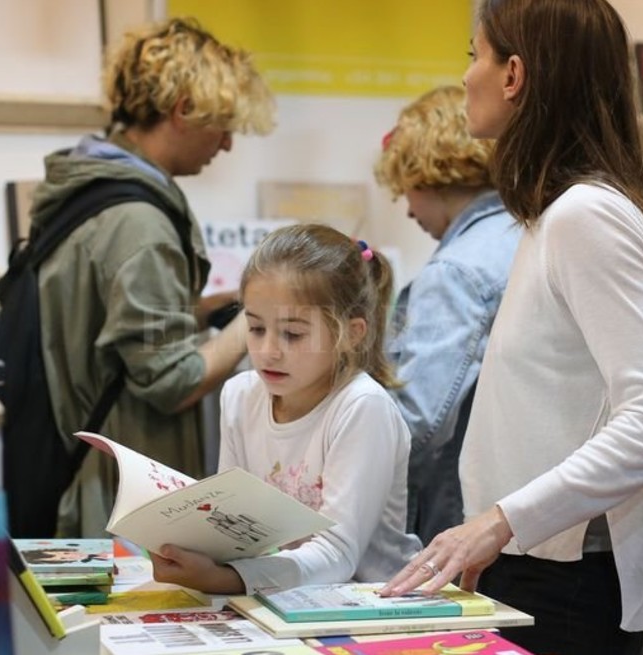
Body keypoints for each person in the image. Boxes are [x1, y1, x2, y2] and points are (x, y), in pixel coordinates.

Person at [381, 1, 643, 653]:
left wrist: (500, 520)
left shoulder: (586, 214)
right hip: (536, 563)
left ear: (514, 74)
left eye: (475, 57)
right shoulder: (556, 213)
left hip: (564, 576)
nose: (466, 77)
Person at [35, 17, 276, 537]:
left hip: (89, 478)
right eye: (223, 123)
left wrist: (207, 311)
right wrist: (259, 320)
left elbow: (110, 329)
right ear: (184, 110)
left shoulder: (88, 193)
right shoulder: (140, 224)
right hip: (120, 500)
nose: (228, 144)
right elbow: (172, 381)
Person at [149, 224, 422, 594]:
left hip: (374, 602)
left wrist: (226, 579)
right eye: (256, 328)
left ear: (351, 334)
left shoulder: (361, 407)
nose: (268, 351)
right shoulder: (240, 396)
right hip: (280, 597)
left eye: (292, 334)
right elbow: (230, 522)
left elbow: (338, 554)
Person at [372, 85, 520, 546]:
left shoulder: (457, 271)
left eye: (406, 188)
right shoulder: (525, 233)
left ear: (427, 172)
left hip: (467, 511)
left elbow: (417, 420)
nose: (407, 207)